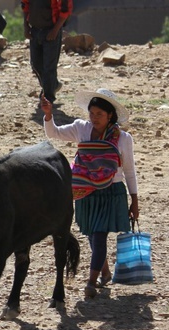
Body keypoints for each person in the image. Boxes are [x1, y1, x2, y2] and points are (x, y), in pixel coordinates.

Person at [41, 88, 139, 298]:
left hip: (111, 192)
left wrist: (135, 201)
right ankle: (104, 273)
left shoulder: (123, 138)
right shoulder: (80, 128)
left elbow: (129, 171)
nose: (94, 118)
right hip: (84, 191)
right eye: (92, 113)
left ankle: (91, 282)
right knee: (91, 234)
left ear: (110, 115)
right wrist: (49, 115)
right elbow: (54, 133)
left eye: (99, 115)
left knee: (100, 235)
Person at [22, 0, 72, 103]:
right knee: (35, 64)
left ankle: (48, 98)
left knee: (49, 66)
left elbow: (65, 11)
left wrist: (55, 31)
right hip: (35, 30)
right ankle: (53, 85)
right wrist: (26, 27)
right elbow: (25, 5)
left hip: (51, 30)